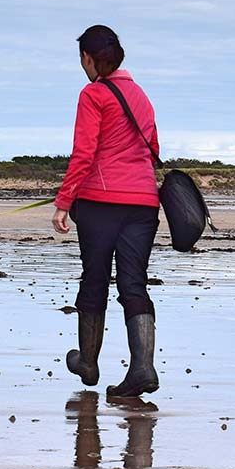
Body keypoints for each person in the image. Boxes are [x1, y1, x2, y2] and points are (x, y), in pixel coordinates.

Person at [52, 25, 162, 398]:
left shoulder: (93, 94)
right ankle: (143, 369)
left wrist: (64, 201)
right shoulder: (141, 96)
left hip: (101, 202)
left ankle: (87, 360)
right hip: (144, 202)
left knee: (94, 279)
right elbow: (153, 148)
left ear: (88, 58)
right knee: (134, 284)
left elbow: (84, 153)